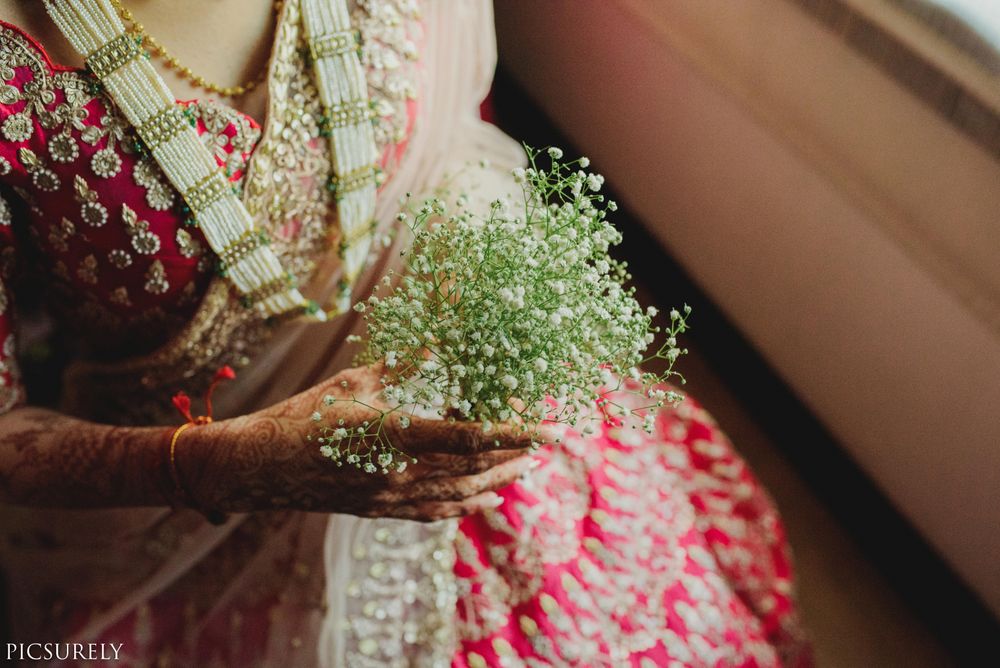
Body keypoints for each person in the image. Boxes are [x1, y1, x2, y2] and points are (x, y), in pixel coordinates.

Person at [0, 0, 810, 665]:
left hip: (460, 380)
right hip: (180, 509)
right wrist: (231, 462)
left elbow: (453, 126)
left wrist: (470, 276)